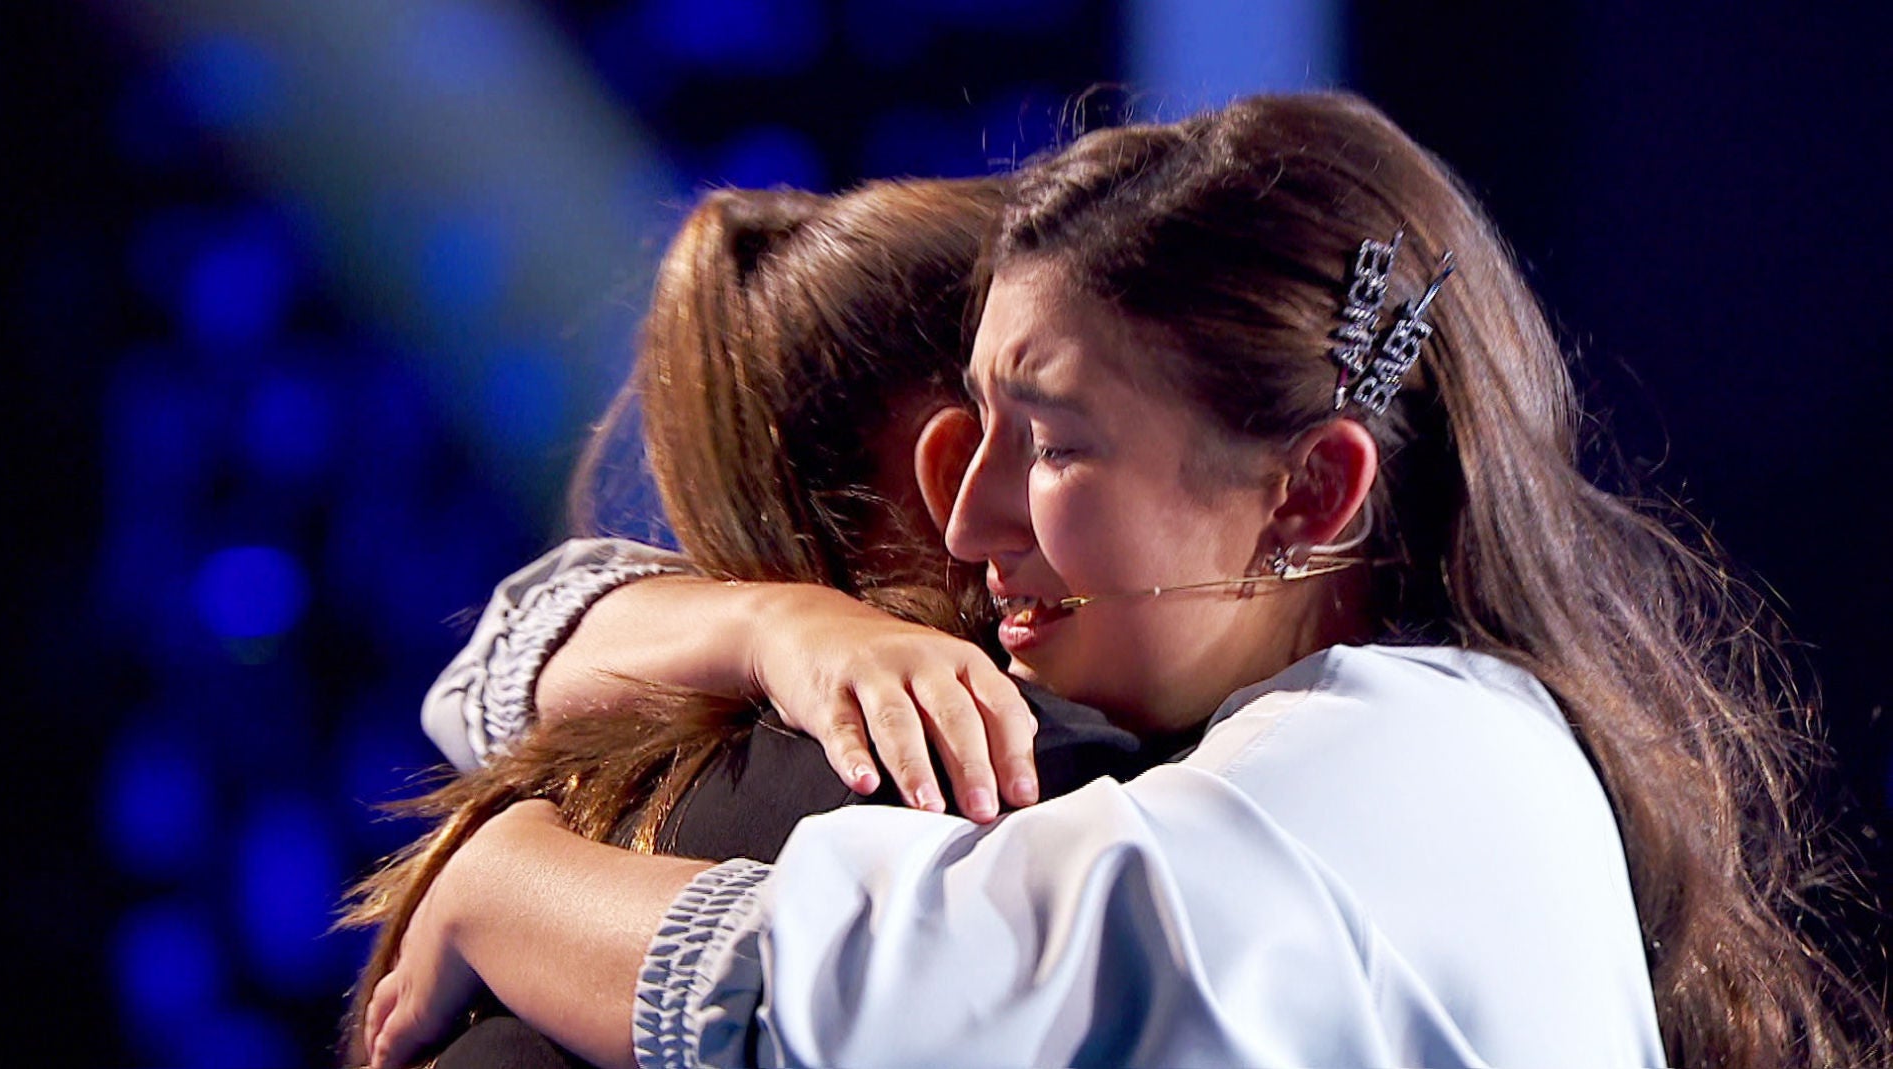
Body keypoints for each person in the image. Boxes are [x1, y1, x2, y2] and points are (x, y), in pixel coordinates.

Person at [364, 92, 1885, 1068]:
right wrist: (776, 624)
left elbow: (857, 987)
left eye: (1050, 444)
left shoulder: (1395, 766)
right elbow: (497, 668)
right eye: (973, 425)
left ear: (1313, 490)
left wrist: (506, 881)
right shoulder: (1438, 735)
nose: (966, 521)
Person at [338, 176, 1154, 1067]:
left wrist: (506, 882)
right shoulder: (1023, 778)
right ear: (960, 465)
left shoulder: (615, 776)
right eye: (1067, 437)